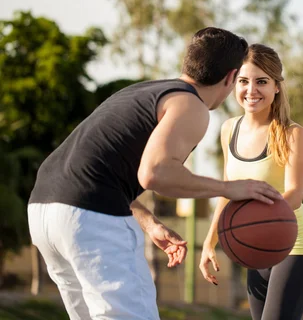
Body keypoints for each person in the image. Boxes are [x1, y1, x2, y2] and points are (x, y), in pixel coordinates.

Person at [27, 27, 283, 320]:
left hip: (44, 212)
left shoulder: (142, 92)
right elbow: (155, 173)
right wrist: (228, 188)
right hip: (88, 218)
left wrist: (149, 224)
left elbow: (95, 172)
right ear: (230, 77)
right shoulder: (191, 106)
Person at [199, 43, 303, 320]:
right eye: (243, 81)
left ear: (276, 86)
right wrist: (210, 242)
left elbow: (294, 195)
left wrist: (251, 212)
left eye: (262, 81)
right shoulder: (228, 128)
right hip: (255, 248)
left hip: (296, 246)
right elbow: (226, 190)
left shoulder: (293, 134)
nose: (251, 90)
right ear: (233, 83)